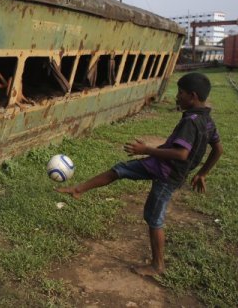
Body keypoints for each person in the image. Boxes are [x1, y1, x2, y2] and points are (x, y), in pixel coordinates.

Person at [56, 72, 223, 277]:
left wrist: (146, 150)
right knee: (120, 169)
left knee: (154, 218)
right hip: (159, 164)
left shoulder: (191, 122)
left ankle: (157, 265)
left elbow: (181, 153)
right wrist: (203, 173)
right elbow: (218, 149)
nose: (177, 96)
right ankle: (78, 189)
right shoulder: (208, 121)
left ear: (193, 95)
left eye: (180, 93)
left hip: (167, 174)